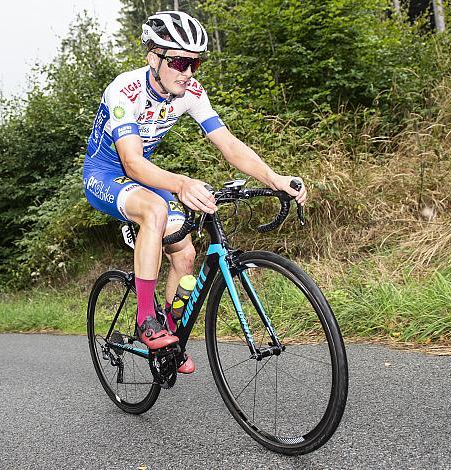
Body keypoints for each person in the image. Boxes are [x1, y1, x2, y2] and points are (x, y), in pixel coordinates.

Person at [82, 11, 307, 374]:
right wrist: (182, 183)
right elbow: (133, 164)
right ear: (153, 57)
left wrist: (273, 177)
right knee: (155, 210)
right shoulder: (124, 91)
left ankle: (169, 339)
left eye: (195, 64)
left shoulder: (190, 92)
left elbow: (228, 143)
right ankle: (145, 321)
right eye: (180, 62)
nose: (188, 73)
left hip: (144, 175)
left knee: (185, 254)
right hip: (106, 173)